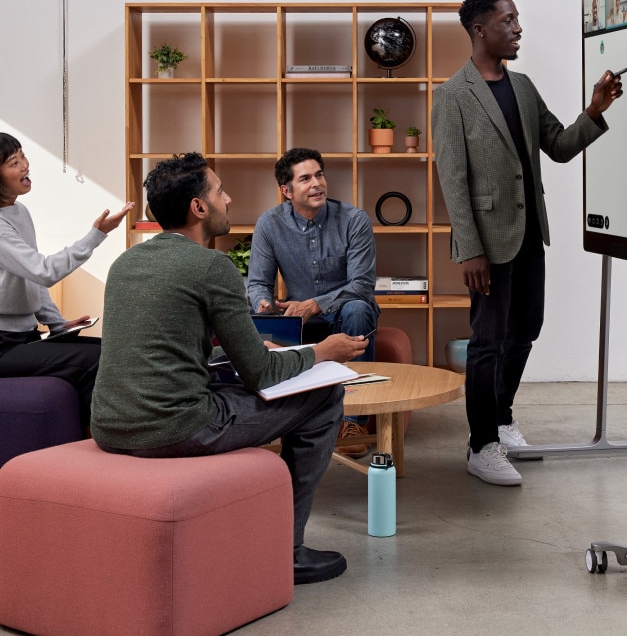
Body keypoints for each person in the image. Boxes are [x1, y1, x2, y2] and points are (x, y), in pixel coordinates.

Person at [91, 153, 367, 585]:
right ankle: (286, 550)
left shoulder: (126, 263)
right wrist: (323, 351)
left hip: (110, 426)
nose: (229, 198)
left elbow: (170, 343)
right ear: (198, 208)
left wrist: (248, 346)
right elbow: (260, 375)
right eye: (219, 191)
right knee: (325, 395)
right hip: (176, 427)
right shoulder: (211, 266)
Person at [431, 0, 622, 486]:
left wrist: (594, 110)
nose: (518, 28)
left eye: (517, 19)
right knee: (487, 341)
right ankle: (481, 446)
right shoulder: (453, 96)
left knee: (527, 329)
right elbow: (452, 179)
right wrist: (469, 248)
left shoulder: (524, 87)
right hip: (487, 244)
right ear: (479, 30)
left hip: (530, 231)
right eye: (508, 20)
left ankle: (501, 416)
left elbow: (558, 146)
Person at [247, 148, 379, 459]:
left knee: (358, 308)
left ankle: (354, 421)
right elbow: (258, 284)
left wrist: (314, 305)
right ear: (287, 190)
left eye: (319, 175)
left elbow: (362, 285)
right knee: (254, 319)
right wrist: (263, 304)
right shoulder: (269, 224)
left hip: (345, 315)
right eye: (305, 178)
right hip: (297, 320)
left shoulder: (353, 220)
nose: (316, 183)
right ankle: (276, 415)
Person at [0, 132, 131, 428]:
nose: (24, 166)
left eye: (22, 157)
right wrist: (96, 235)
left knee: (110, 348)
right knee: (93, 362)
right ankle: (100, 436)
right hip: (4, 346)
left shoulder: (18, 212)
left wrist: (58, 325)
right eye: (13, 162)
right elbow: (43, 271)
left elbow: (31, 280)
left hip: (25, 337)